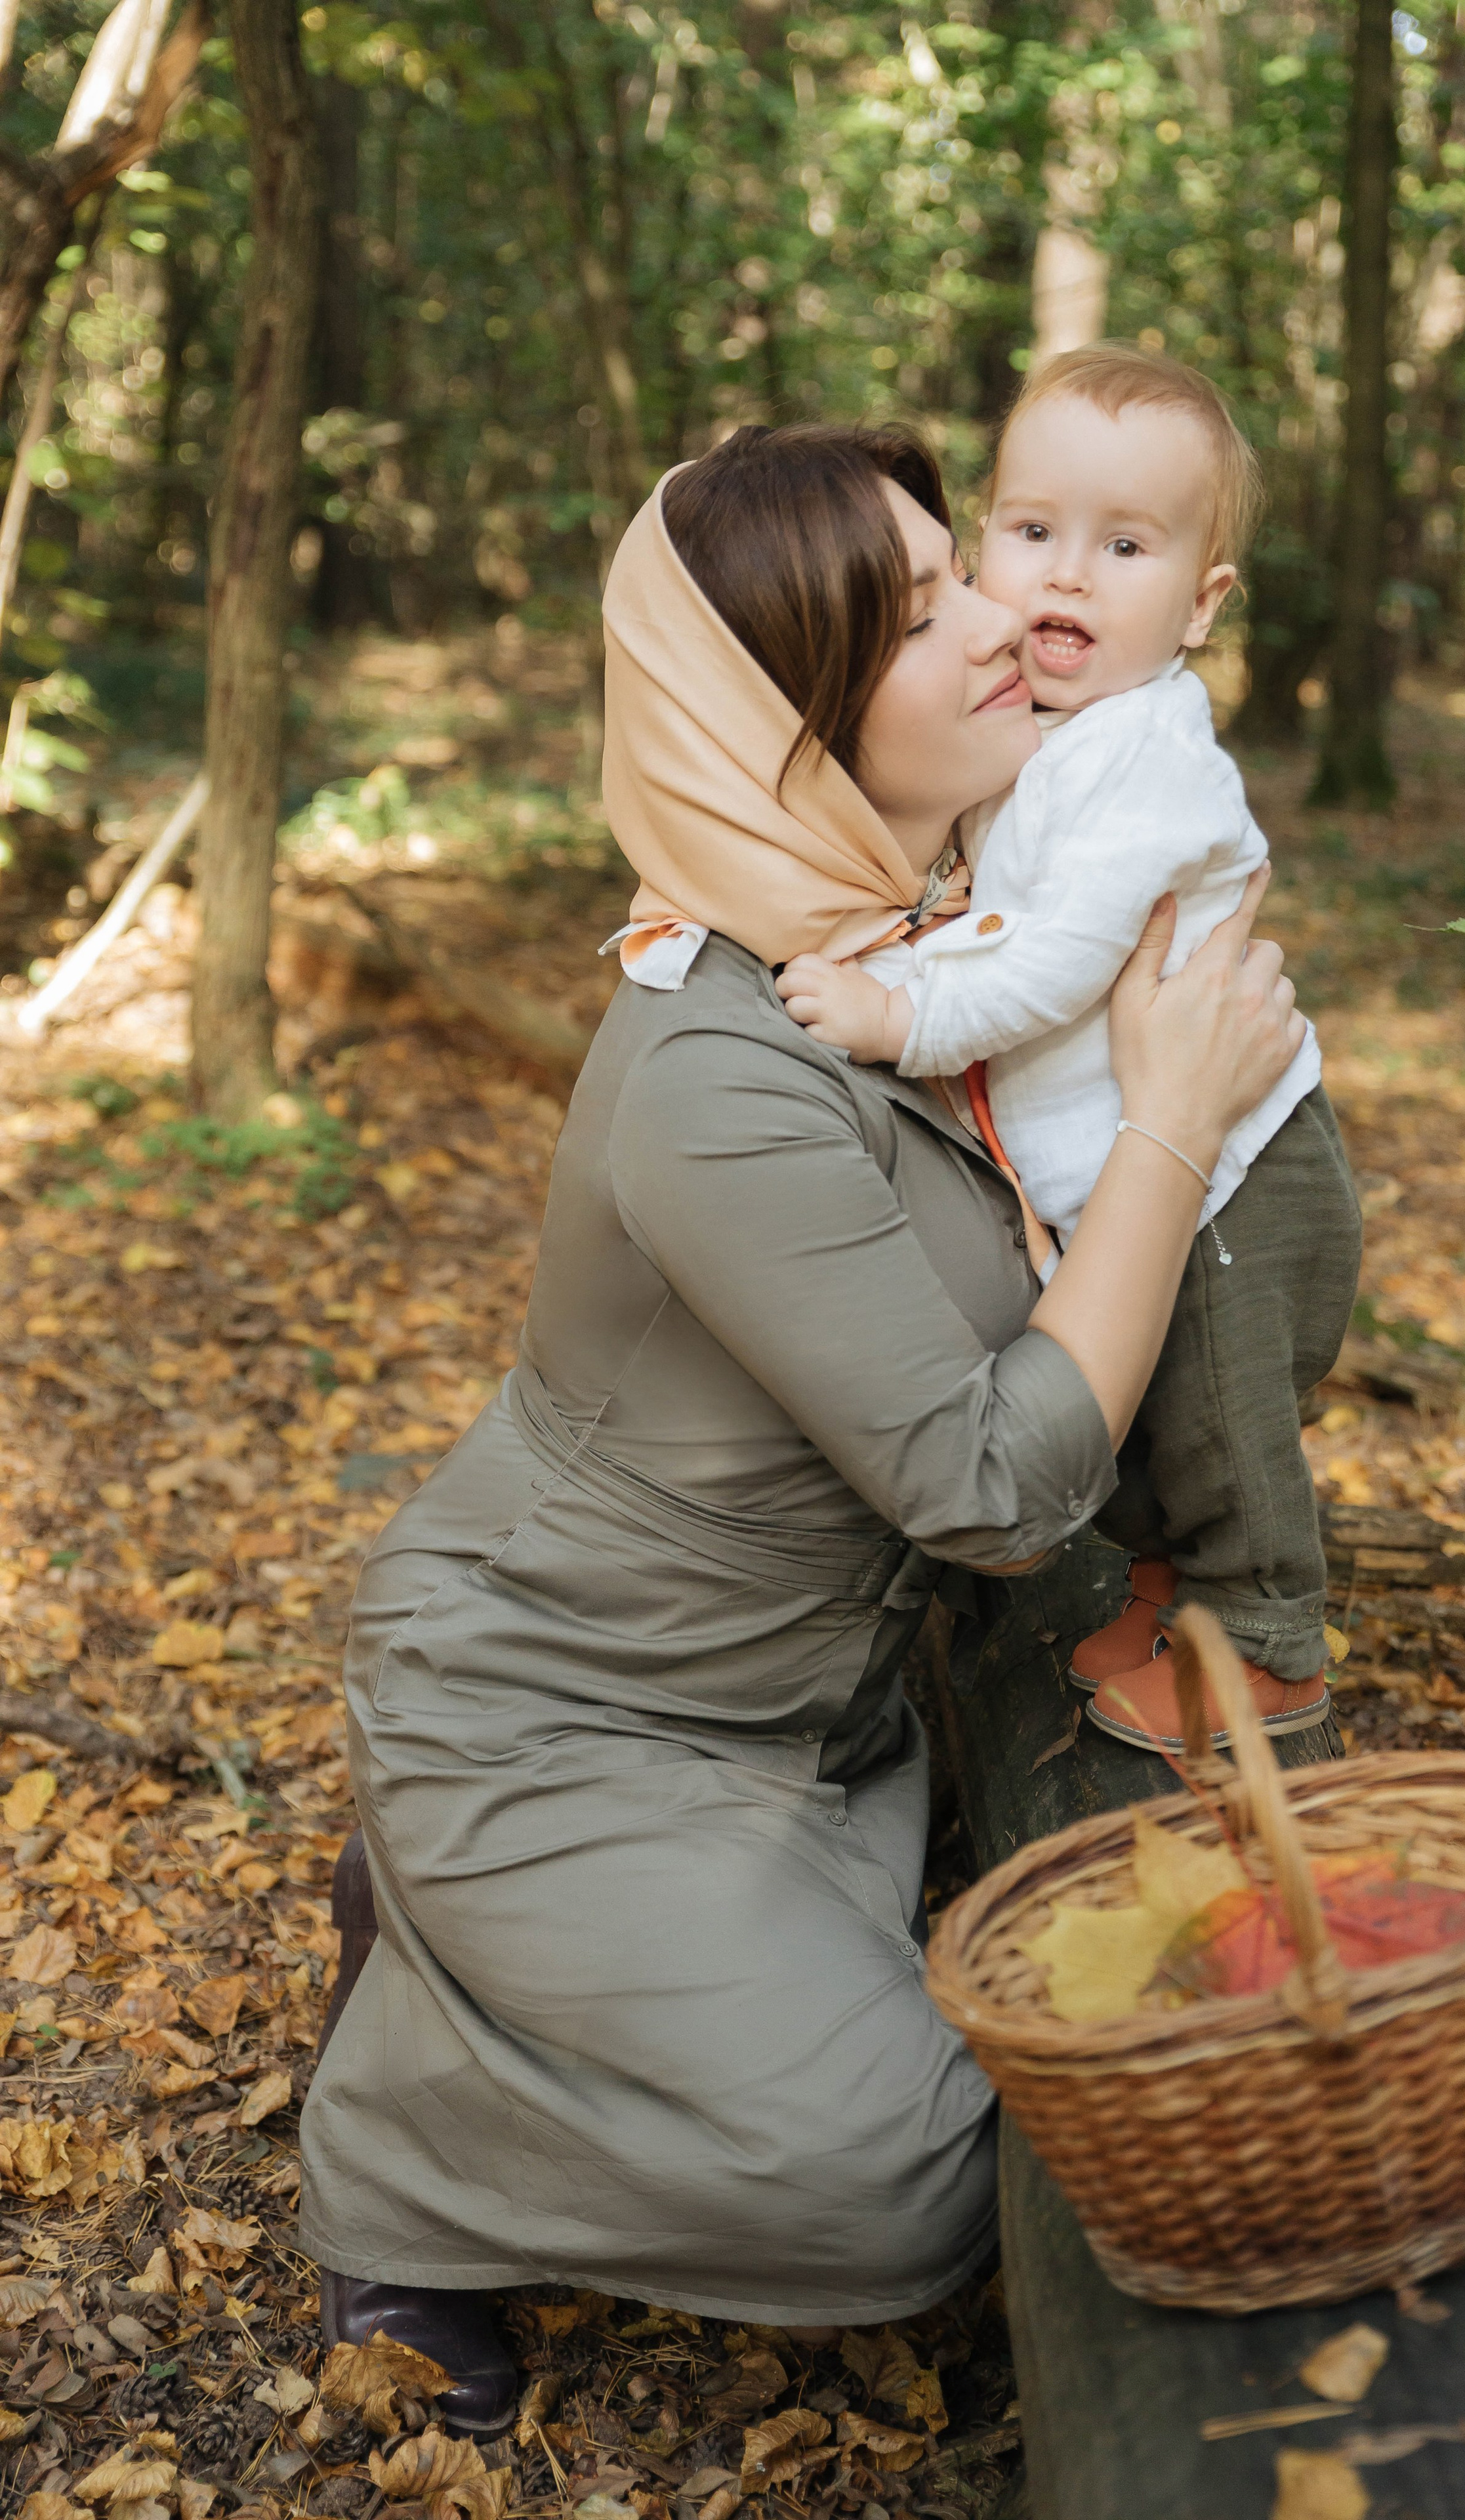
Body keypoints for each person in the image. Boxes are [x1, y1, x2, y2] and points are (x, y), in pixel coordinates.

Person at [298, 421, 1308, 2435]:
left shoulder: (908, 947)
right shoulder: (720, 1066)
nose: (1009, 615)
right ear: (784, 723)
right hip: (566, 1709)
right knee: (919, 2186)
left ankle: (510, 1958)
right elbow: (997, 1486)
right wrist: (1175, 1128)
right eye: (929, 610)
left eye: (975, 569)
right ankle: (409, 2128)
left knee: (976, 2048)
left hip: (804, 1723)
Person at [776, 350, 1363, 1752]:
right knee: (1146, 1409)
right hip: (1132, 1169)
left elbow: (1046, 961)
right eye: (1033, 532)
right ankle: (1167, 1593)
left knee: (1217, 1418)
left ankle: (1267, 1634)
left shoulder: (1139, 761)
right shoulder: (1042, 734)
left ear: (1200, 604)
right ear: (981, 542)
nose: (1066, 579)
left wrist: (894, 1012)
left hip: (1234, 1171)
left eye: (1124, 547)